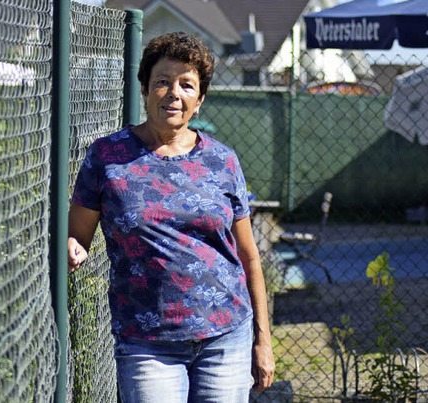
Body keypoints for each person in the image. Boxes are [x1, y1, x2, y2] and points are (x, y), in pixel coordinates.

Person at [68, 31, 275, 402]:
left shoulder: (222, 161)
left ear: (200, 99)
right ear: (145, 90)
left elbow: (248, 256)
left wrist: (263, 340)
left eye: (186, 85)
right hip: (147, 343)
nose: (174, 93)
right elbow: (77, 235)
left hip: (225, 337)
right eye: (162, 82)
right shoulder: (107, 156)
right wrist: (73, 247)